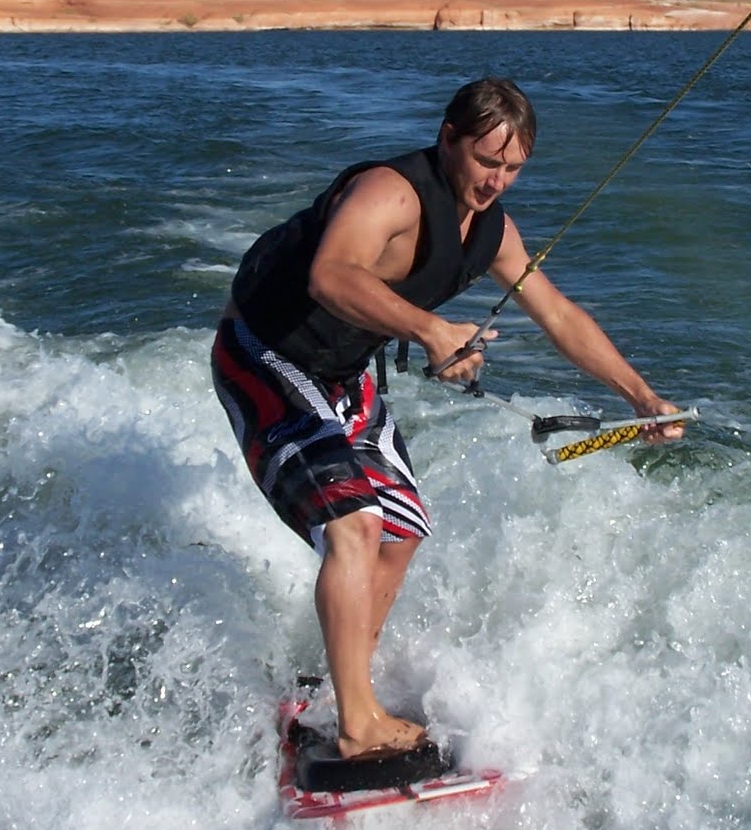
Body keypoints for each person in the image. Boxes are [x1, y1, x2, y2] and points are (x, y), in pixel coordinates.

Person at [212, 77, 684, 760]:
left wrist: (640, 396)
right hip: (264, 356)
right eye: (486, 161)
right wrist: (433, 331)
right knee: (353, 523)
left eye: (513, 168)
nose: (496, 181)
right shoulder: (389, 194)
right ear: (448, 140)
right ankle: (356, 725)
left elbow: (556, 314)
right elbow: (332, 275)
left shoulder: (494, 232)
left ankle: (330, 690)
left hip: (341, 374)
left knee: (402, 530)